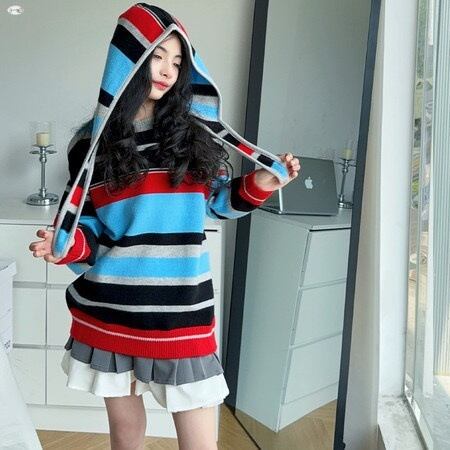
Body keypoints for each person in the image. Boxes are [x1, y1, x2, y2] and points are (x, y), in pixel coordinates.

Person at [28, 4, 300, 450]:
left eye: (177, 61)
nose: (168, 70)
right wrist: (65, 245)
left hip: (181, 315)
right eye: (157, 56)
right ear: (127, 61)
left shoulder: (193, 135)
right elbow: (90, 229)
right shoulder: (90, 144)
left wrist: (261, 184)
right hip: (111, 311)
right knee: (125, 437)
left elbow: (216, 205)